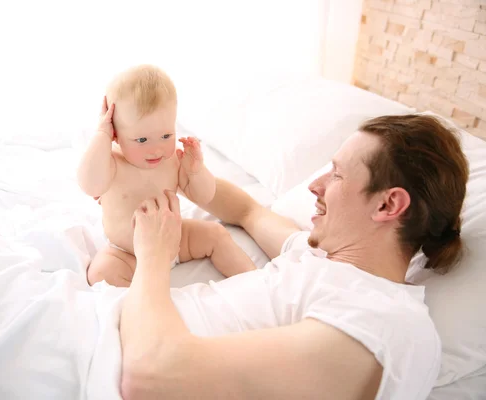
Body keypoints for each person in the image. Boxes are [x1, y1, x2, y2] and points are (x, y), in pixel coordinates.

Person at [119, 114, 469, 399]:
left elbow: (150, 378)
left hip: (106, 354)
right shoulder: (316, 255)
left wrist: (153, 255)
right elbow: (247, 211)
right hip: (108, 321)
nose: (314, 186)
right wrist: (184, 175)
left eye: (337, 174)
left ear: (387, 204)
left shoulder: (386, 323)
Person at [76, 64, 255, 286]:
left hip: (175, 241)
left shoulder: (172, 160)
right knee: (101, 273)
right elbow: (89, 185)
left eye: (166, 135)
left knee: (216, 234)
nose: (157, 149)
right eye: (141, 140)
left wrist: (196, 170)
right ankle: (148, 304)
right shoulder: (112, 163)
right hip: (128, 254)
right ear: (115, 135)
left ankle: (257, 281)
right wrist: (101, 134)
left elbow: (204, 196)